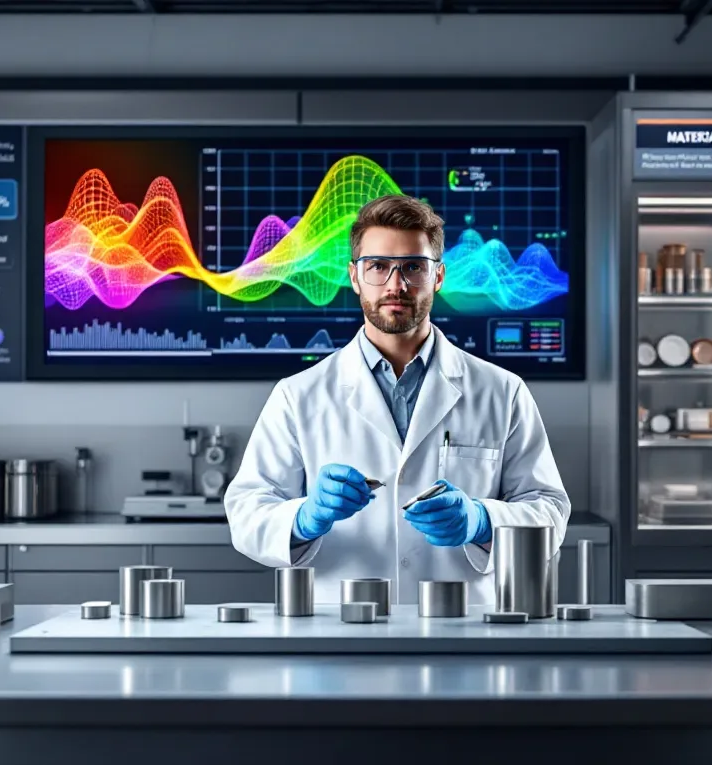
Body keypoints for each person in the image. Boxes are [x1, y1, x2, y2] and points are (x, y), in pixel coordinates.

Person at [224, 194, 570, 607]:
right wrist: (303, 517)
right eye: (378, 267)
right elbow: (247, 515)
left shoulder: (502, 390)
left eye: (413, 267)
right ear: (354, 277)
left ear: (438, 276)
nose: (396, 285)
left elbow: (548, 510)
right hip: (341, 633)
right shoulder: (298, 395)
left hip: (462, 630)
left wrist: (482, 520)